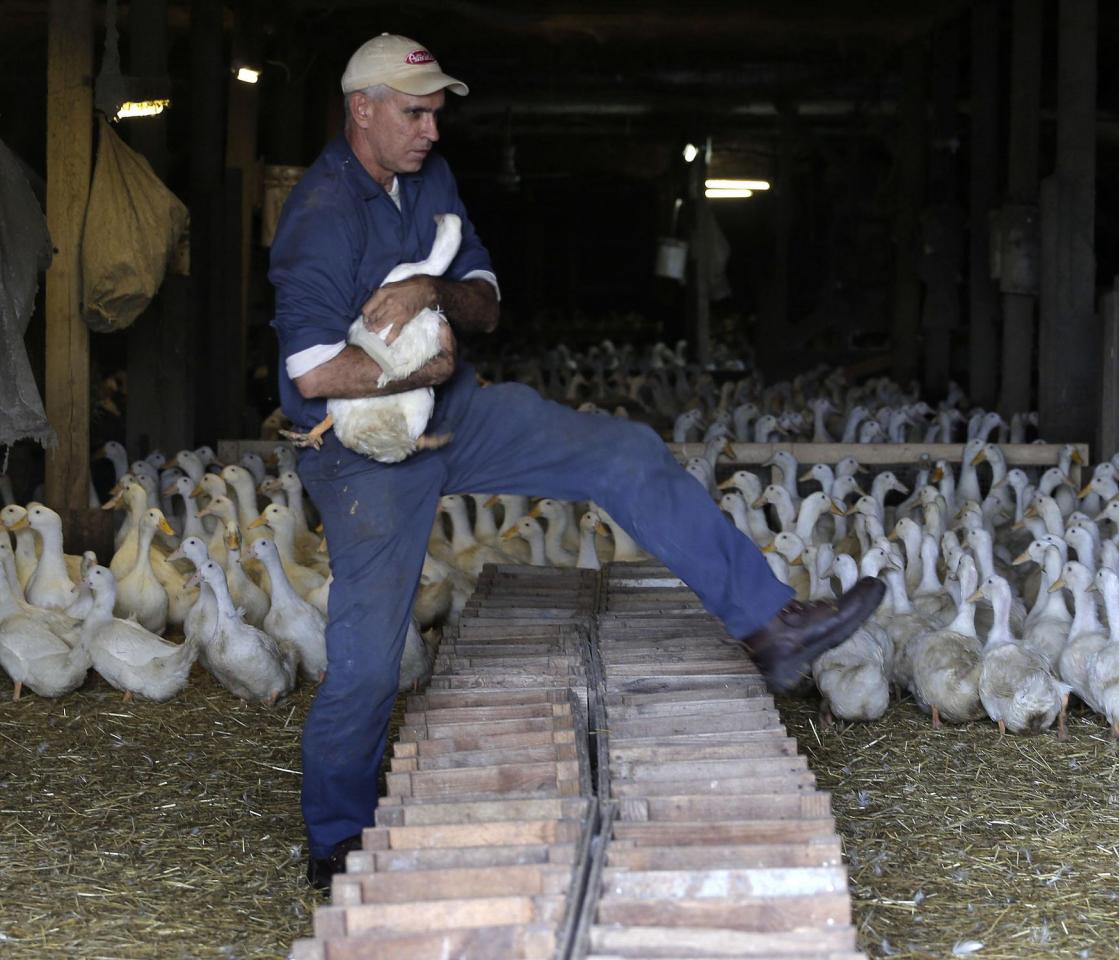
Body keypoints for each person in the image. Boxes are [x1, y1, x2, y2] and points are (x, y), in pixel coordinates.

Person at [268, 33, 886, 892]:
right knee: (371, 660)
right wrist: (416, 365)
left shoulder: (427, 180)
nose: (431, 131)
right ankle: (335, 837)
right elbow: (311, 374)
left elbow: (484, 301)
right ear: (360, 110)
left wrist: (429, 294)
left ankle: (771, 626)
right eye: (414, 114)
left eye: (436, 113)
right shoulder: (318, 215)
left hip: (457, 408)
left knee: (623, 450)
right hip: (365, 448)